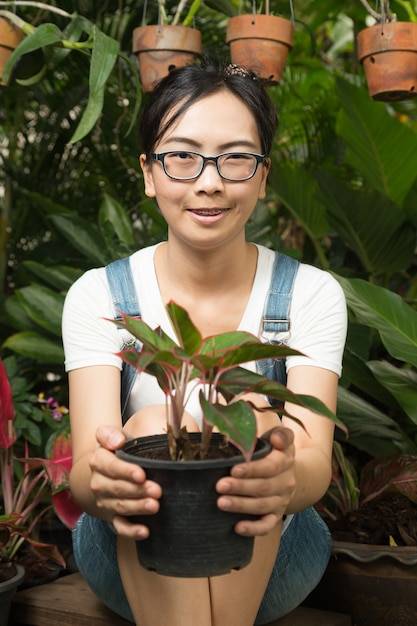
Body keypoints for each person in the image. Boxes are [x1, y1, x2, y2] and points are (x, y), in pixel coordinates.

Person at [62, 61, 347, 626]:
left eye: (237, 158)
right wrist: (106, 480)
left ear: (263, 177)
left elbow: (313, 460)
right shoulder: (100, 294)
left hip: (275, 552)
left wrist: (281, 473)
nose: (209, 180)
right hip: (128, 550)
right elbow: (84, 472)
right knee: (145, 434)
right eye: (182, 156)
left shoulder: (310, 293)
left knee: (259, 424)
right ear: (149, 173)